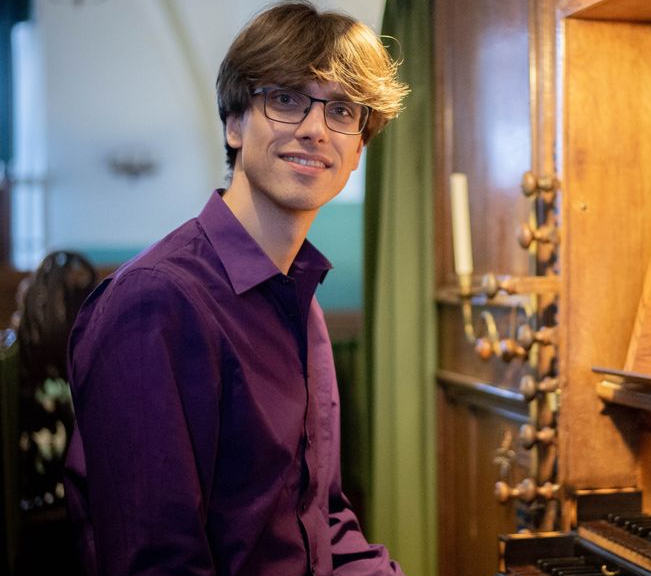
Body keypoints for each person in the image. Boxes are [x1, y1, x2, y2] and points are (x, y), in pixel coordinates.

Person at [63, 2, 409, 575]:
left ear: (359, 149)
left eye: (343, 110)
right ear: (233, 122)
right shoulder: (155, 303)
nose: (315, 128)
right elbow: (156, 563)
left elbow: (321, 523)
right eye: (287, 99)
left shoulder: (300, 298)